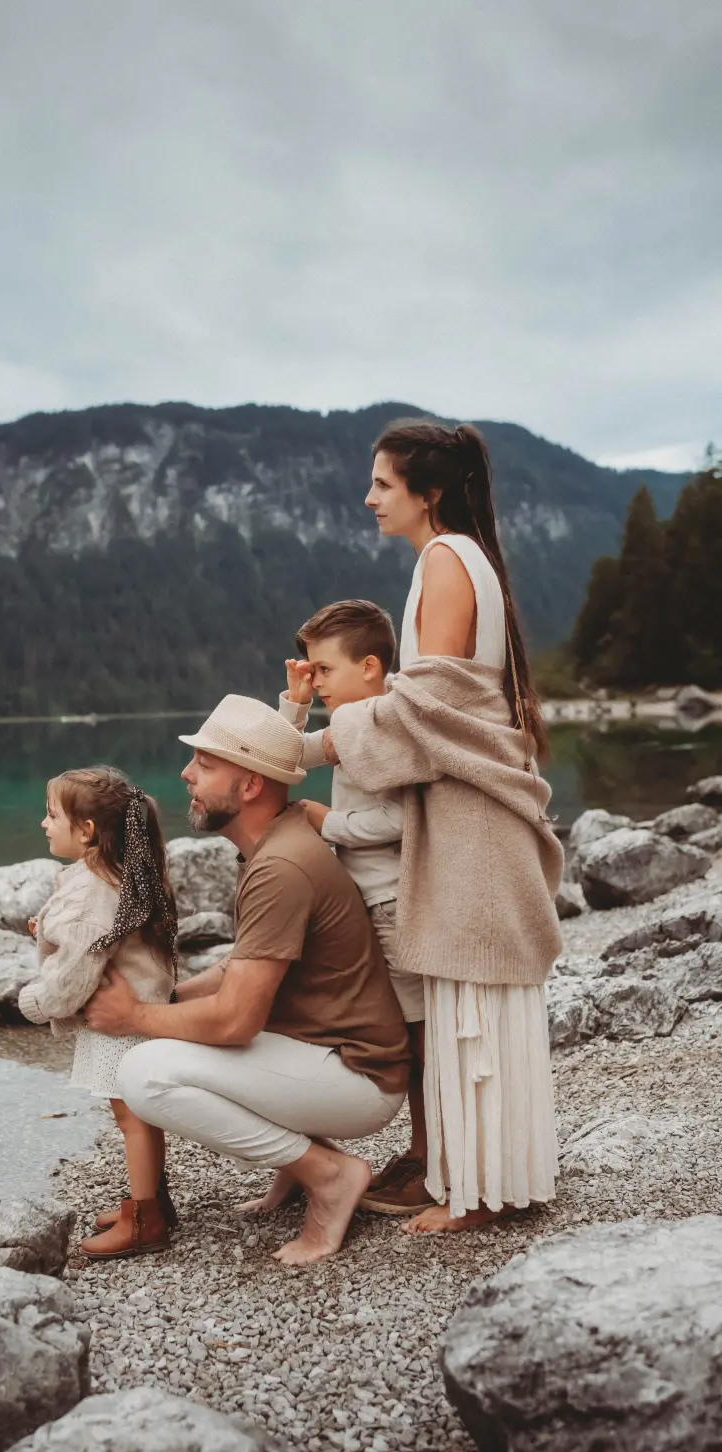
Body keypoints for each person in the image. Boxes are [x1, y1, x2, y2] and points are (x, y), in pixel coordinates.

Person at [321, 418, 564, 1233]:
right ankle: (488, 1180)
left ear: (427, 494)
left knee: (470, 1010)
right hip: (471, 816)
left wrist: (315, 742)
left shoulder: (445, 558)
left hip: (468, 823)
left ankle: (477, 1195)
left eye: (383, 484)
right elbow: (444, 705)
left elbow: (429, 711)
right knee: (474, 1004)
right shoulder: (467, 560)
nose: (369, 498)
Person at [84, 694, 411, 1266]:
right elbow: (247, 964)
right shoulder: (270, 847)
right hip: (327, 1053)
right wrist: (171, 997)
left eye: (206, 765)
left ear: (252, 785)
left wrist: (134, 1016)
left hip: (357, 1077)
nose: (187, 774)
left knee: (145, 1073)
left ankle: (327, 1174)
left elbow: (236, 1022)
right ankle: (299, 1164)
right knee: (169, 1033)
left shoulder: (282, 866)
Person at [278, 599, 434, 1215]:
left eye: (323, 671)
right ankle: (412, 1153)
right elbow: (284, 759)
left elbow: (403, 818)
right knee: (392, 1030)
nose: (316, 682)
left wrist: (329, 823)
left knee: (420, 1039)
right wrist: (293, 701)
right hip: (366, 903)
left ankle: (428, 1158)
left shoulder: (386, 724)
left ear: (370, 666)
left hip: (395, 903)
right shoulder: (350, 723)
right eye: (310, 671)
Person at [17, 766, 179, 1260]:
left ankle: (146, 1220)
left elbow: (75, 970)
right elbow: (92, 935)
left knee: (131, 1119)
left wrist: (34, 1002)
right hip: (139, 1009)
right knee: (139, 1117)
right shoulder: (121, 872)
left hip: (120, 1025)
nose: (43, 825)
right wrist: (46, 928)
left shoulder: (95, 889)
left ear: (86, 831)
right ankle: (153, 1200)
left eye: (51, 816)